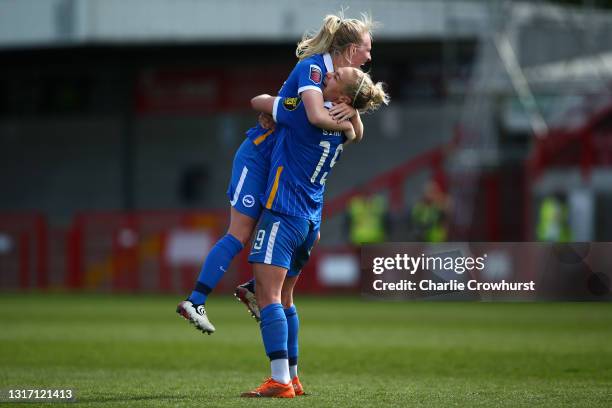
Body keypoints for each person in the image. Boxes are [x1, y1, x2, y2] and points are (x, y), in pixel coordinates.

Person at [177, 12, 376, 334]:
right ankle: (195, 300)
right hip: (261, 153)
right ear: (351, 48)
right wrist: (348, 127)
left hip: (282, 159)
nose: (369, 55)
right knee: (241, 232)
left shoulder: (337, 80)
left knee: (303, 234)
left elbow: (352, 129)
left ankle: (254, 290)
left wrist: (353, 114)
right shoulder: (315, 69)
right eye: (367, 47)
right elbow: (312, 115)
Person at [240, 67, 389, 398]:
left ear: (341, 97)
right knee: (286, 298)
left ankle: (279, 380)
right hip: (309, 222)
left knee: (268, 298)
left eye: (336, 77)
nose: (328, 75)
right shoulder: (345, 126)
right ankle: (292, 377)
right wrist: (355, 115)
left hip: (283, 215)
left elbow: (258, 101)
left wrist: (290, 97)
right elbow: (355, 130)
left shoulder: (302, 112)